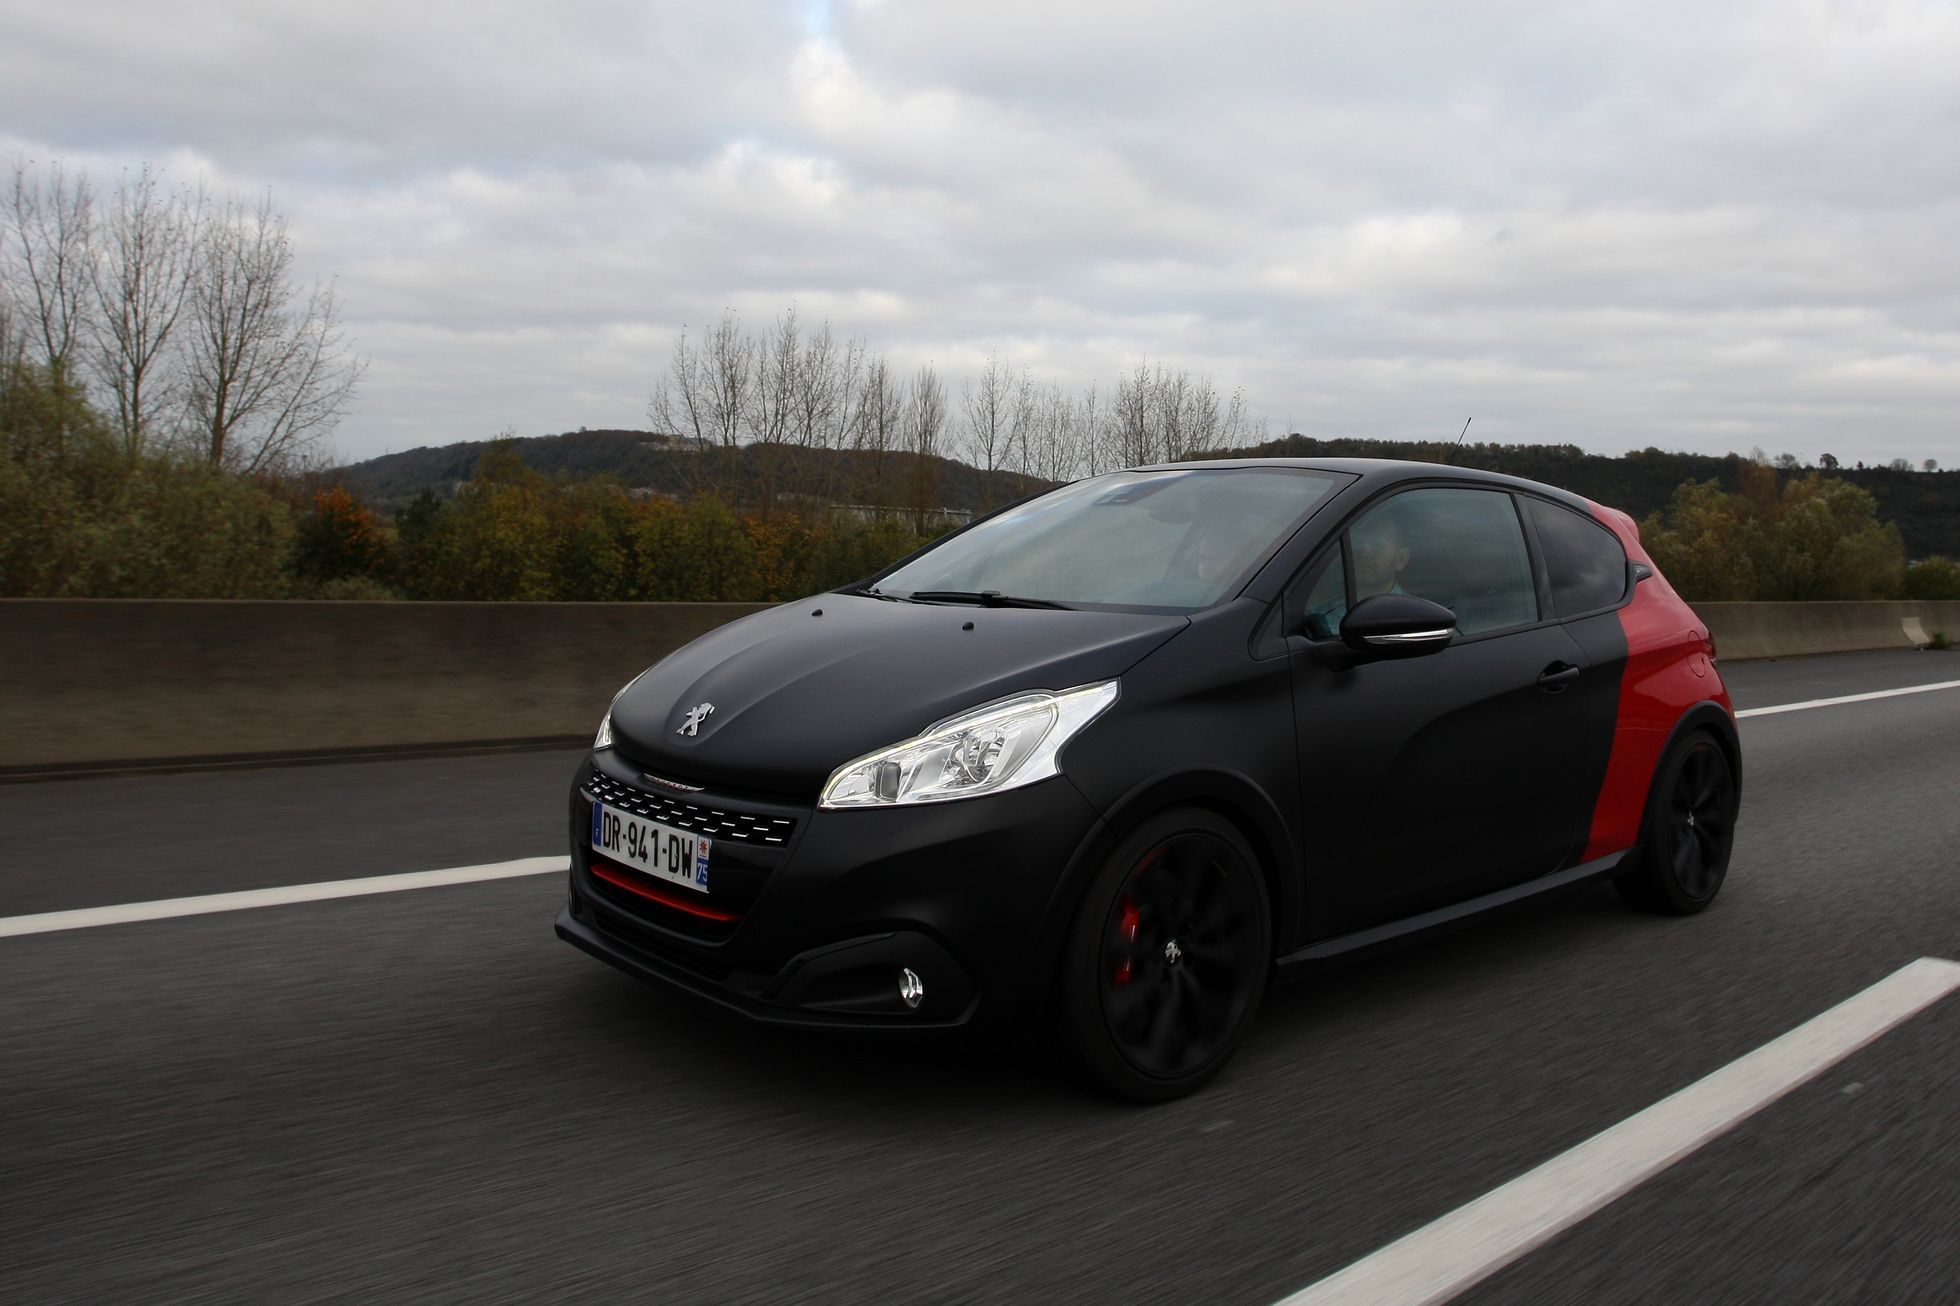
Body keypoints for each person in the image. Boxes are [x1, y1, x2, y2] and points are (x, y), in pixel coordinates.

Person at [1309, 511, 1410, 636]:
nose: (1365, 553)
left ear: (1400, 559)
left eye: (1377, 546)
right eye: (1359, 544)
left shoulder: (1412, 617)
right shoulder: (1320, 614)